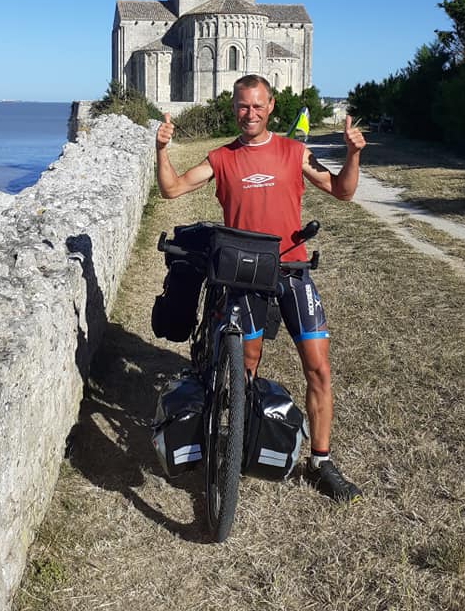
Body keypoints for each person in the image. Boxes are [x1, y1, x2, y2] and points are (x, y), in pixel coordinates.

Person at [155, 74, 366, 502]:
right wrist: (161, 150)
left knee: (318, 368)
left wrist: (353, 154)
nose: (249, 113)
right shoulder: (221, 158)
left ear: (270, 107)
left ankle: (321, 462)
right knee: (245, 365)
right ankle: (240, 439)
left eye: (257, 106)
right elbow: (171, 189)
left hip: (291, 269)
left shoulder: (295, 152)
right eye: (242, 106)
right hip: (242, 273)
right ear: (234, 107)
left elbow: (342, 191)